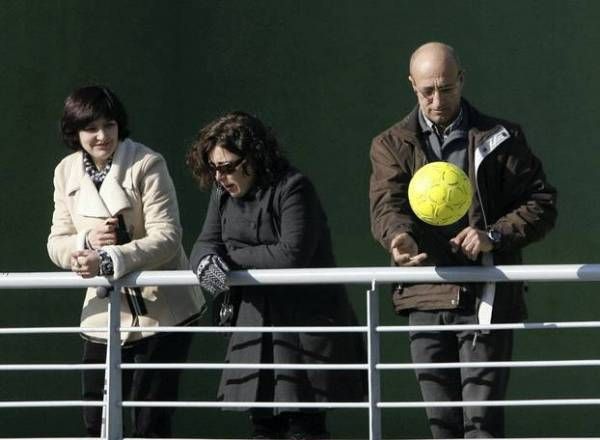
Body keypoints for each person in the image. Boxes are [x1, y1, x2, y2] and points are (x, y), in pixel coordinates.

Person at [369, 42, 557, 438]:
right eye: (427, 91)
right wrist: (398, 237)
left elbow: (541, 203)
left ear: (462, 80)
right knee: (443, 427)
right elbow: (386, 204)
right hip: (424, 296)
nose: (437, 100)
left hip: (485, 296)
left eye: (447, 88)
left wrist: (493, 236)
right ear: (412, 86)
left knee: (481, 427)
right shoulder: (390, 144)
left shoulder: (501, 137)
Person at [187, 111, 366, 440]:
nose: (220, 177)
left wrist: (228, 259)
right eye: (214, 168)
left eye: (227, 167)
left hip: (303, 328)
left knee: (304, 428)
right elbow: (203, 245)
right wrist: (208, 265)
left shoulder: (293, 187)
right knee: (263, 427)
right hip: (254, 324)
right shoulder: (222, 194)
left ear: (254, 157)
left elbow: (291, 255)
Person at [47, 85, 206, 437]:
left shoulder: (147, 162)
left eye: (110, 125)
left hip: (162, 310)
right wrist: (84, 243)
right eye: (91, 128)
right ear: (75, 132)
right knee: (97, 421)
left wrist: (109, 258)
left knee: (150, 424)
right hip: (103, 314)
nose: (102, 136)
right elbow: (57, 242)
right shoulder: (65, 172)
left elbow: (168, 237)